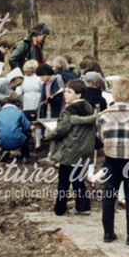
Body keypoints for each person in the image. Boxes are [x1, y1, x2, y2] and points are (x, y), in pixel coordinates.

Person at [94, 76, 129, 245]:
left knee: (109, 195)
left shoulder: (103, 116)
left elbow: (100, 137)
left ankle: (108, 233)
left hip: (111, 159)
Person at [46, 80, 95, 216]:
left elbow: (61, 130)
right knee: (78, 179)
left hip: (70, 150)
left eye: (69, 92)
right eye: (65, 92)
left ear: (78, 95)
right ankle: (83, 206)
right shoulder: (89, 108)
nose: (65, 95)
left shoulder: (69, 111)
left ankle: (60, 208)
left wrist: (48, 135)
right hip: (84, 149)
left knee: (64, 181)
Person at [0, 95, 32, 164]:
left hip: (2, 142)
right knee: (26, 134)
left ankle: (5, 150)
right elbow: (27, 126)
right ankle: (25, 156)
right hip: (17, 140)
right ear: (15, 104)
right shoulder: (19, 112)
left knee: (5, 132)